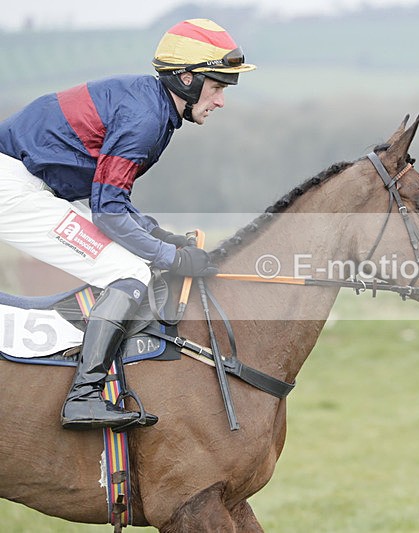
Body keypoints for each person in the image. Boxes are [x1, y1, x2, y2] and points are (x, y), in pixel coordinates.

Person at [0, 19, 256, 430]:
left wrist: (159, 236)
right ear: (187, 79)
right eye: (217, 86)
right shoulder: (145, 119)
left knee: (132, 260)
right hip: (13, 189)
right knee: (129, 271)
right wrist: (170, 256)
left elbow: (111, 198)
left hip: (30, 184)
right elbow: (107, 212)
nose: (222, 100)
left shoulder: (151, 105)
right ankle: (82, 396)